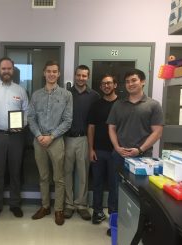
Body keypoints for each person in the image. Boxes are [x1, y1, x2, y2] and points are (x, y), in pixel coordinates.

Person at [107, 68, 163, 213]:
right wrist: (117, 147)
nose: (130, 84)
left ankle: (139, 226)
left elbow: (157, 132)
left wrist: (140, 149)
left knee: (141, 192)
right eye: (127, 82)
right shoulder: (118, 104)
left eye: (134, 80)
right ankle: (116, 223)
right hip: (119, 155)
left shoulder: (153, 105)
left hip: (142, 158)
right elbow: (111, 128)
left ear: (142, 82)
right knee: (115, 188)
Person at [27, 60, 73, 226]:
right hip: (39, 141)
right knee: (43, 176)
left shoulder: (66, 95)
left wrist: (51, 136)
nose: (52, 74)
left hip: (56, 140)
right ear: (44, 73)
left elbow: (67, 121)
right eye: (49, 71)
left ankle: (58, 209)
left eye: (55, 71)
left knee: (59, 178)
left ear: (59, 74)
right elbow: (31, 117)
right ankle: (45, 206)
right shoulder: (36, 95)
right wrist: (39, 136)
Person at [0, 57, 29, 219]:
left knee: (16, 171)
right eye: (4, 68)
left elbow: (27, 113)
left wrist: (20, 125)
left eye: (9, 68)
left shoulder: (21, 90)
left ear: (13, 70)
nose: (6, 71)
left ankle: (15, 204)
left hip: (17, 137)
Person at [63, 65, 99, 221]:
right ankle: (69, 204)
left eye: (84, 76)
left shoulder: (95, 96)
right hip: (66, 138)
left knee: (83, 174)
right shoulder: (66, 94)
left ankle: (82, 205)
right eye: (78, 75)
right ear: (75, 75)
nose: (81, 78)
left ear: (88, 77)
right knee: (67, 172)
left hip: (85, 139)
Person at [87, 74, 118, 225]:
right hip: (98, 150)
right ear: (100, 87)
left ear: (115, 85)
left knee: (114, 184)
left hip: (116, 152)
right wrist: (90, 148)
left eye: (109, 83)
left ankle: (113, 215)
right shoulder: (96, 105)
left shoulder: (122, 104)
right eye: (104, 84)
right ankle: (97, 212)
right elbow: (91, 127)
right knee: (97, 183)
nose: (106, 86)